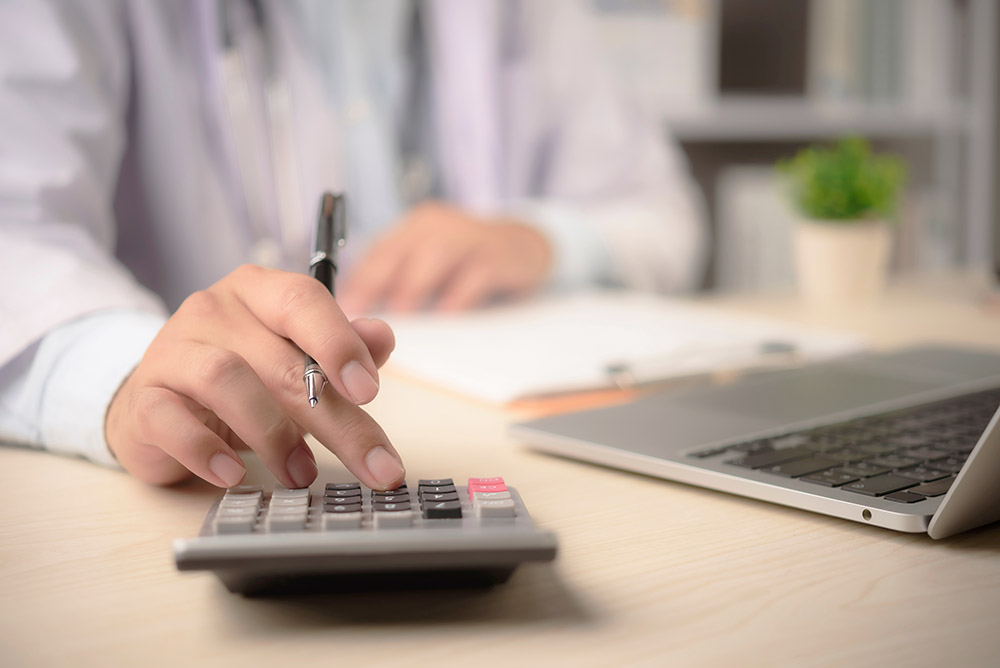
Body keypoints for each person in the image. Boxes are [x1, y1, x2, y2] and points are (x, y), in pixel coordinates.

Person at [0, 0, 705, 491]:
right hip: (212, 466)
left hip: (507, 425)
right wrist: (125, 376)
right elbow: (16, 237)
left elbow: (663, 212)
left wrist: (541, 238)